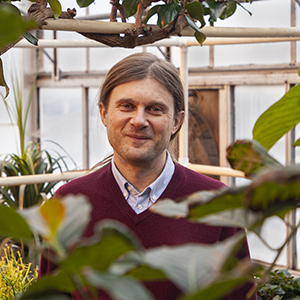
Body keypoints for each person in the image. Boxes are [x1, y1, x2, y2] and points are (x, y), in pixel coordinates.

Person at [39, 52, 256, 299]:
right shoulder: (69, 203)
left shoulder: (217, 205)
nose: (139, 120)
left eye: (154, 109)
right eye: (127, 106)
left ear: (176, 121)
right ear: (104, 113)